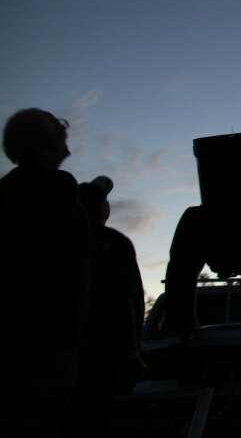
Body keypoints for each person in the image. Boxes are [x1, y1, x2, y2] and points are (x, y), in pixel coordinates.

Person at [0, 108, 92, 436]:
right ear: (44, 145)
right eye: (61, 142)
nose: (67, 151)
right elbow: (76, 257)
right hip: (51, 338)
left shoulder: (6, 191)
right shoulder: (59, 186)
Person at [77, 175, 145, 433]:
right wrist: (132, 350)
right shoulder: (116, 243)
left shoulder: (52, 241)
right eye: (105, 201)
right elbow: (131, 300)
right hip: (110, 354)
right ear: (102, 209)